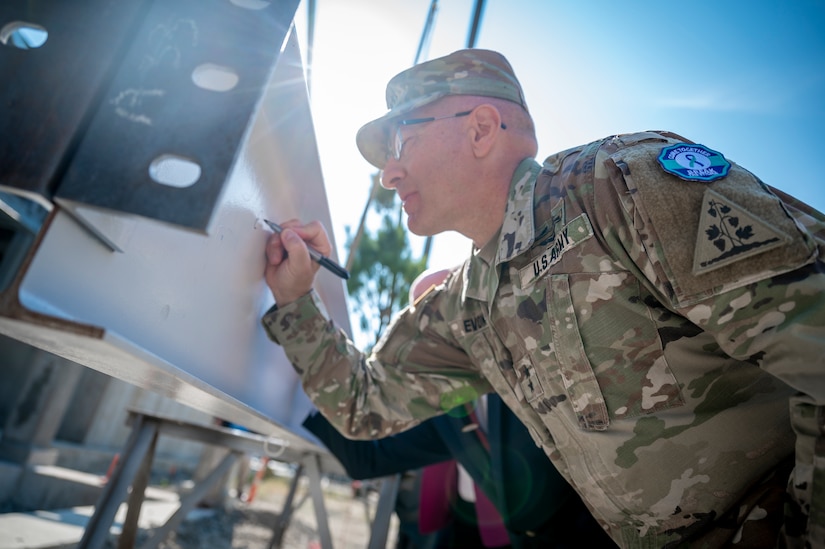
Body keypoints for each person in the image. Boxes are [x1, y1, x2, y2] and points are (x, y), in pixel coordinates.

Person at [260, 48, 825, 547]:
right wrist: (297, 300)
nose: (389, 173)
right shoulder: (464, 306)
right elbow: (364, 403)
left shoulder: (620, 187)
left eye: (402, 141)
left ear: (481, 129)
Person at [303, 268, 613, 548]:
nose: (427, 339)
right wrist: (306, 397)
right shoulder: (446, 413)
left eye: (434, 318)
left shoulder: (531, 360)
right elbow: (369, 458)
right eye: (418, 327)